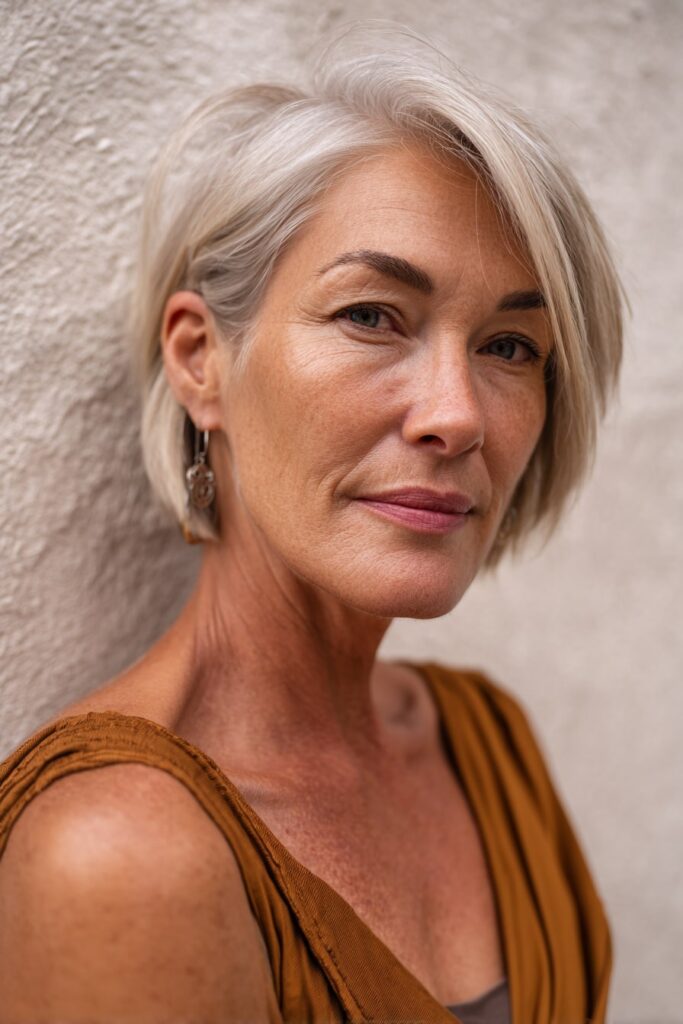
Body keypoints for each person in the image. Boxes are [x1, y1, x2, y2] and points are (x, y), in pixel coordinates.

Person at [0, 23, 625, 1024]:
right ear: (202, 359)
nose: (456, 413)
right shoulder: (118, 853)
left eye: (509, 344)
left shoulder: (485, 742)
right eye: (372, 315)